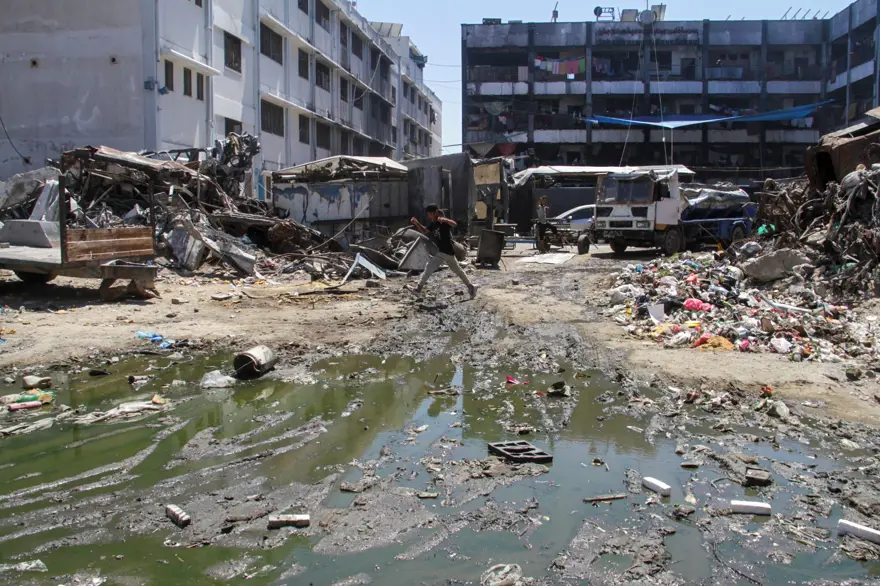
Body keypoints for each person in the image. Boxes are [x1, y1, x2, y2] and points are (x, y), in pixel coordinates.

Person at [409, 204, 477, 298]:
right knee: (458, 271)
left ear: (435, 213)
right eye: (428, 214)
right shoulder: (434, 224)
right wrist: (416, 223)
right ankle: (471, 286)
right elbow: (424, 231)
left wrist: (445, 220)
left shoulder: (442, 222)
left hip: (445, 251)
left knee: (429, 267)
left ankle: (418, 289)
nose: (428, 216)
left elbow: (454, 224)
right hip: (447, 252)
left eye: (430, 214)